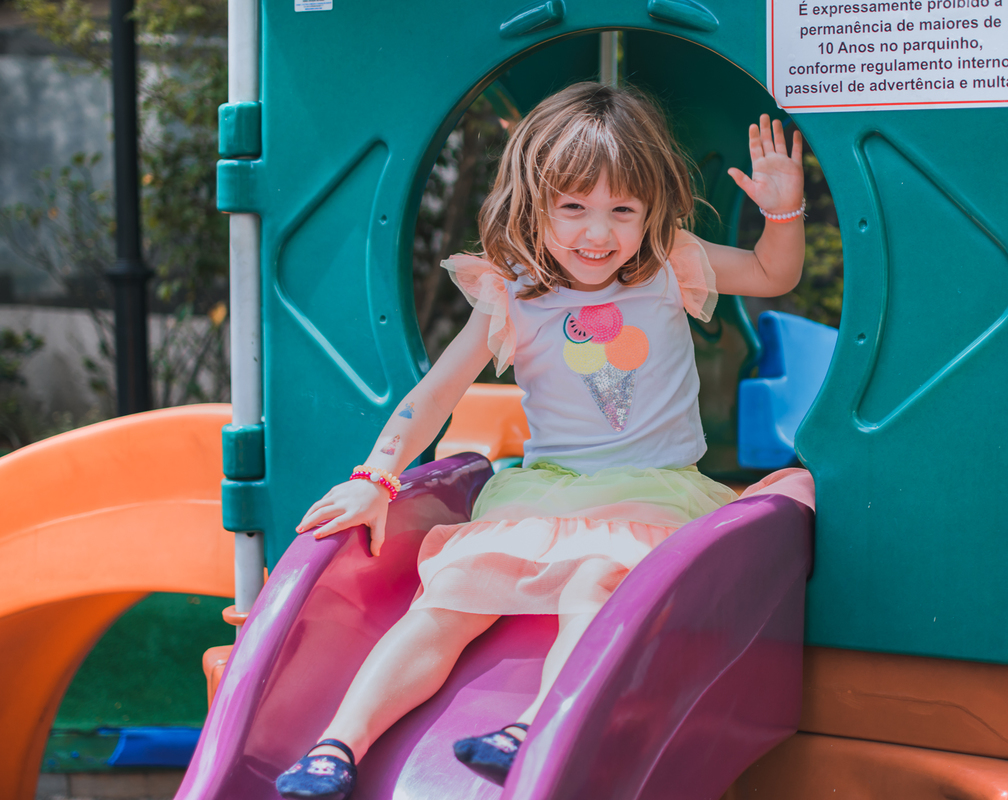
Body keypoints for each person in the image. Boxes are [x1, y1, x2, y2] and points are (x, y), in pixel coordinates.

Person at [275, 81, 806, 799]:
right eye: (574, 208)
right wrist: (376, 477)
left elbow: (774, 272)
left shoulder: (668, 266)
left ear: (652, 211)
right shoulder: (515, 292)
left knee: (596, 582)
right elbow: (437, 394)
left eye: (623, 210)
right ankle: (337, 746)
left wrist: (782, 210)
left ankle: (533, 726)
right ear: (535, 203)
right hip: (545, 495)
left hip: (653, 492)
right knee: (449, 598)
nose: (598, 234)